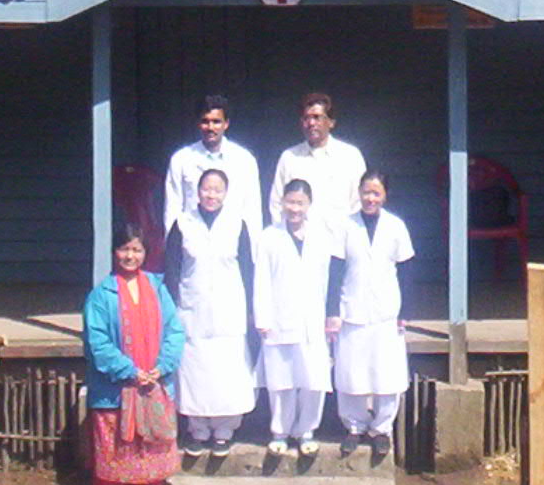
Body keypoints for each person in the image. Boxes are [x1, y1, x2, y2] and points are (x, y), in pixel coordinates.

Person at [83, 220, 185, 485]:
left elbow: (175, 331)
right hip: (115, 391)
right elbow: (96, 341)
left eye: (137, 249)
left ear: (145, 252)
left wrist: (161, 367)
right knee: (113, 454)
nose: (131, 256)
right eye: (125, 249)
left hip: (153, 385)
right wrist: (129, 371)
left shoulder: (157, 288)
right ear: (115, 252)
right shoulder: (101, 295)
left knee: (149, 452)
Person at [162, 167, 257, 460]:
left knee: (227, 370)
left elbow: (248, 270)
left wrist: (254, 310)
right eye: (206, 189)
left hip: (229, 307)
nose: (211, 195)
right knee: (194, 370)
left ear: (226, 193)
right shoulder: (182, 223)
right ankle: (198, 431)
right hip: (193, 308)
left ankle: (225, 431)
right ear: (197, 191)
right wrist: (171, 307)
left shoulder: (237, 224)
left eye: (217, 189)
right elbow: (172, 269)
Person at [254, 177, 340, 457]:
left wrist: (331, 315)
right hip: (279, 317)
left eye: (300, 203)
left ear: (309, 205)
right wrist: (262, 317)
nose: (294, 208)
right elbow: (262, 280)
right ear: (281, 203)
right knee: (281, 381)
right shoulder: (269, 236)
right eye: (290, 201)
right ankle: (280, 431)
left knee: (313, 378)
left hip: (312, 319)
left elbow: (331, 279)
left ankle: (306, 431)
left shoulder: (321, 236)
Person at [333, 169, 414, 456]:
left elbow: (407, 270)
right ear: (359, 193)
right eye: (366, 192)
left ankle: (381, 428)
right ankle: (354, 426)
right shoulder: (345, 226)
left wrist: (406, 311)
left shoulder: (396, 226)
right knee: (351, 372)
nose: (370, 198)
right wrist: (333, 311)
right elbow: (334, 270)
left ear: (384, 196)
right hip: (351, 307)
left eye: (376, 193)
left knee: (386, 374)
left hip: (386, 311)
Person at [268, 92, 368, 242]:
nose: (311, 123)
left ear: (331, 122)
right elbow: (277, 205)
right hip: (299, 248)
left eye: (317, 117)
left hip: (339, 248)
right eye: (306, 118)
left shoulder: (350, 157)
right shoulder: (289, 157)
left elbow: (359, 204)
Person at [164, 95, 262, 232]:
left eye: (216, 122)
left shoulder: (244, 160)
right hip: (192, 241)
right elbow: (172, 209)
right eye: (205, 121)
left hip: (232, 241)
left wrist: (252, 249)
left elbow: (253, 211)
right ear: (198, 123)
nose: (210, 127)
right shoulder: (182, 159)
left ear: (226, 124)